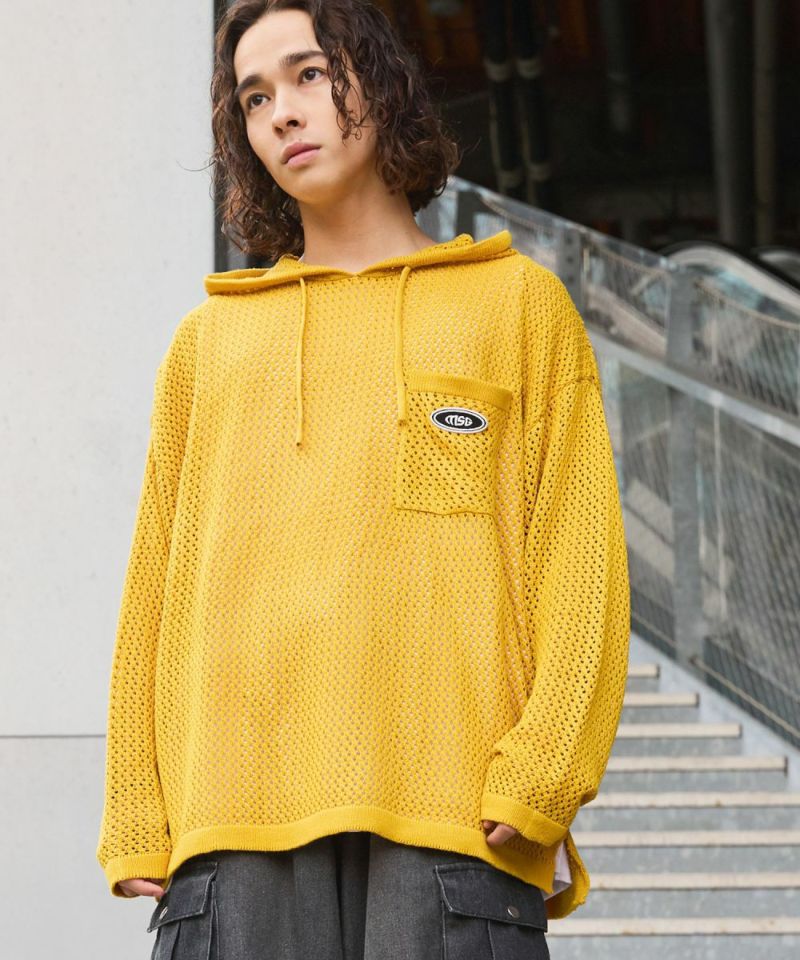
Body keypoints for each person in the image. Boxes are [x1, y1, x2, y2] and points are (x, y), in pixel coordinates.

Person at [96, 0, 630, 956]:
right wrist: (136, 799)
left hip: (455, 814)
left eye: (309, 74)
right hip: (233, 818)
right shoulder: (206, 346)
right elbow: (153, 592)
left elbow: (580, 563)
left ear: (378, 83)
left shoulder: (518, 308)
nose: (283, 114)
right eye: (254, 99)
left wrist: (549, 766)